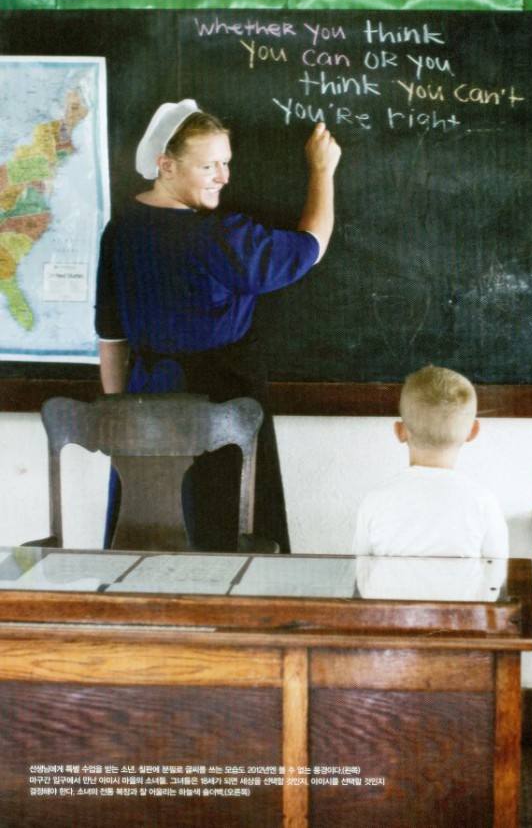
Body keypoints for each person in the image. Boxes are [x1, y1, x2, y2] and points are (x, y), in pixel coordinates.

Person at [95, 99, 341, 551]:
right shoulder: (218, 237)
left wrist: (119, 419)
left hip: (144, 407)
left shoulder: (119, 229)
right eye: (209, 166)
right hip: (221, 412)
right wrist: (322, 172)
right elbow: (311, 246)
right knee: (224, 539)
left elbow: (111, 339)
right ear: (165, 166)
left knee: (148, 538)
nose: (224, 177)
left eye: (226, 163)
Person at [353, 365, 509, 559]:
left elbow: (361, 570)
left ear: (400, 431)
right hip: (459, 590)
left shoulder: (375, 500)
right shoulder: (483, 503)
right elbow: (496, 577)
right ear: (472, 431)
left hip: (388, 591)